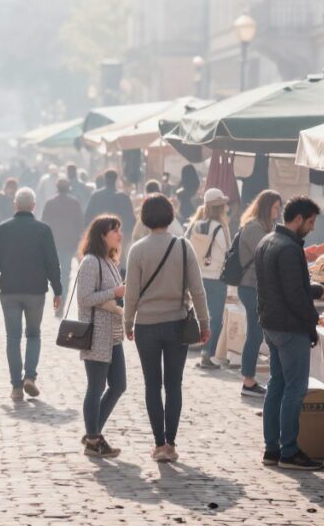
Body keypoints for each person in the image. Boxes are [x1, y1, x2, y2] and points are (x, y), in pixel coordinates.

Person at [124, 194, 210, 462]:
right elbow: (197, 290)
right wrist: (205, 322)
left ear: (144, 217)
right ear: (170, 215)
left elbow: (131, 294)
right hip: (177, 323)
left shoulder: (137, 250)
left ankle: (158, 443)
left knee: (152, 384)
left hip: (146, 325)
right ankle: (170, 442)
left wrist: (128, 321)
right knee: (174, 384)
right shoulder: (184, 247)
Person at [255, 196, 324, 471]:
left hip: (270, 325)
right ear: (298, 220)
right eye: (310, 221)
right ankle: (289, 450)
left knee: (277, 385)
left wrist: (314, 291)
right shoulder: (288, 248)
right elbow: (295, 296)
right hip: (288, 326)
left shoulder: (267, 241)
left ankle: (272, 448)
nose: (312, 227)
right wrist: (312, 324)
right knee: (294, 389)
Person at [0, 188, 62, 400]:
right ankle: (30, 376)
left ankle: (16, 387)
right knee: (33, 335)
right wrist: (58, 290)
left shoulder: (3, 229)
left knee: (13, 337)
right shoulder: (44, 230)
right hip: (36, 291)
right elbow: (52, 263)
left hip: (9, 290)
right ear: (33, 206)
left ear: (15, 205)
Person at [76, 215, 128, 458]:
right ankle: (94, 438)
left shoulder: (109, 261)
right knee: (96, 387)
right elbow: (85, 298)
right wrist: (115, 292)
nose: (119, 234)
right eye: (114, 230)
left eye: (119, 230)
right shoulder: (90, 262)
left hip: (113, 334)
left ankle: (93, 433)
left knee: (118, 385)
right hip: (96, 333)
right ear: (101, 235)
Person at [235, 190, 283, 399]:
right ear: (266, 207)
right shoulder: (254, 228)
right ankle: (248, 380)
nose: (278, 211)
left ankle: (250, 379)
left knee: (257, 332)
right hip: (250, 286)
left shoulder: (265, 227)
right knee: (255, 333)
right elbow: (268, 253)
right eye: (275, 207)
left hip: (258, 286)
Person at [187, 189, 231, 370]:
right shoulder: (220, 228)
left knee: (201, 316)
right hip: (216, 278)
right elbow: (227, 250)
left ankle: (199, 347)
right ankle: (207, 354)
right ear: (220, 207)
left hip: (198, 277)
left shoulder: (196, 225)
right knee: (214, 317)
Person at [41, 179, 85, 318]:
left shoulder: (50, 202)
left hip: (53, 243)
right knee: (65, 275)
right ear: (68, 188)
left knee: (54, 274)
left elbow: (44, 223)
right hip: (69, 243)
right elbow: (80, 224)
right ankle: (61, 303)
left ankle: (57, 299)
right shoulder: (75, 203)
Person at [84, 170, 136, 248]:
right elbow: (131, 219)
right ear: (116, 180)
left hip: (100, 235)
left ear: (105, 179)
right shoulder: (123, 196)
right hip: (117, 236)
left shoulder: (96, 195)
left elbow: (88, 216)